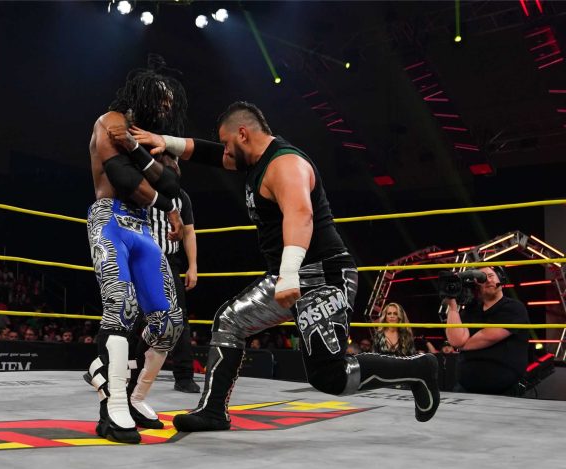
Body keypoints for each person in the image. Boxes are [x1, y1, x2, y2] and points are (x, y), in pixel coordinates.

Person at [132, 101, 440, 432]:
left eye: (227, 143)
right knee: (230, 321)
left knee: (330, 377)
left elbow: (301, 215)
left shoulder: (285, 164)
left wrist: (290, 274)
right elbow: (211, 154)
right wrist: (166, 141)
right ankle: (213, 411)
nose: (225, 151)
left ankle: (418, 368)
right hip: (289, 274)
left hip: (324, 276)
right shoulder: (255, 160)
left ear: (243, 134)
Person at [83, 56, 187, 443]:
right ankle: (112, 407)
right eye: (161, 101)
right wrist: (162, 194)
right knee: (122, 306)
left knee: (169, 322)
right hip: (110, 218)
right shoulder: (109, 122)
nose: (166, 108)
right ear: (142, 97)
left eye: (170, 103)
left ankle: (134, 395)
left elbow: (172, 185)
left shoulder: (155, 140)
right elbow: (124, 179)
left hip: (142, 227)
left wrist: (140, 152)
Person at [147, 187, 200, 393]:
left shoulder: (182, 196)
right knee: (130, 314)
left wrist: (193, 266)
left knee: (179, 317)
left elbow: (189, 231)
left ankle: (184, 376)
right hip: (141, 258)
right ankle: (107, 366)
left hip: (169, 261)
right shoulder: (141, 189)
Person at [445, 266, 530, 395]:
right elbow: (456, 340)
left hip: (503, 391)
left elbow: (486, 338)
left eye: (490, 276)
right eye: (482, 278)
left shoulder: (514, 308)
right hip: (465, 389)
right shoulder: (470, 311)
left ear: (500, 279)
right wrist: (452, 306)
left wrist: (462, 345)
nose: (488, 280)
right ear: (476, 286)